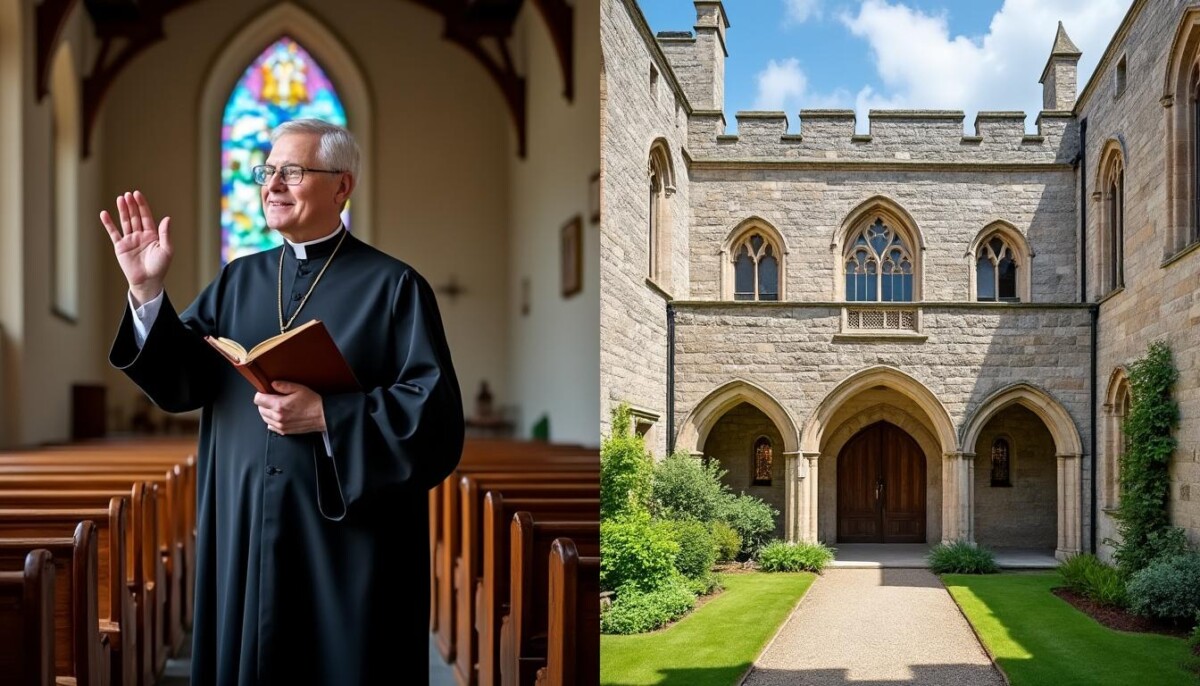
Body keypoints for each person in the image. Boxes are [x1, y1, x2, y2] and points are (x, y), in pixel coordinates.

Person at [101, 119, 465, 685]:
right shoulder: (238, 280)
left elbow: (435, 419)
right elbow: (182, 382)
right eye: (266, 171)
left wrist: (328, 415)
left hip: (347, 545)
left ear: (341, 187)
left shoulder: (395, 287)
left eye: (291, 172)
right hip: (245, 525)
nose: (272, 184)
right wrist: (148, 293)